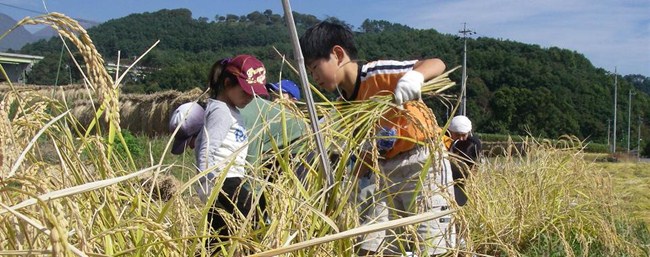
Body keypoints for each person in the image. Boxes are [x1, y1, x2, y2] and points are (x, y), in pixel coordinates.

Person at [300, 21, 455, 256]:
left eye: (314, 67)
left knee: (432, 244)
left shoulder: (377, 74)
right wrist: (349, 185)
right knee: (376, 246)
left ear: (338, 54)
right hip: (385, 172)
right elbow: (368, 150)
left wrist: (415, 77)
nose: (314, 77)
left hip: (422, 162)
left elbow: (437, 64)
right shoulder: (344, 106)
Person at [173, 54, 269, 253]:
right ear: (227, 83)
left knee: (219, 238)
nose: (251, 97)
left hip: (232, 180)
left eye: (254, 94)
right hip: (222, 182)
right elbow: (207, 148)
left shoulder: (231, 110)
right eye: (246, 91)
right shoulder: (221, 111)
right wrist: (208, 185)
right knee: (254, 223)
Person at [447, 115, 482, 206]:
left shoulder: (473, 144)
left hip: (461, 180)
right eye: (457, 135)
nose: (461, 138)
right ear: (450, 131)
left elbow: (475, 166)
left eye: (463, 135)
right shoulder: (443, 138)